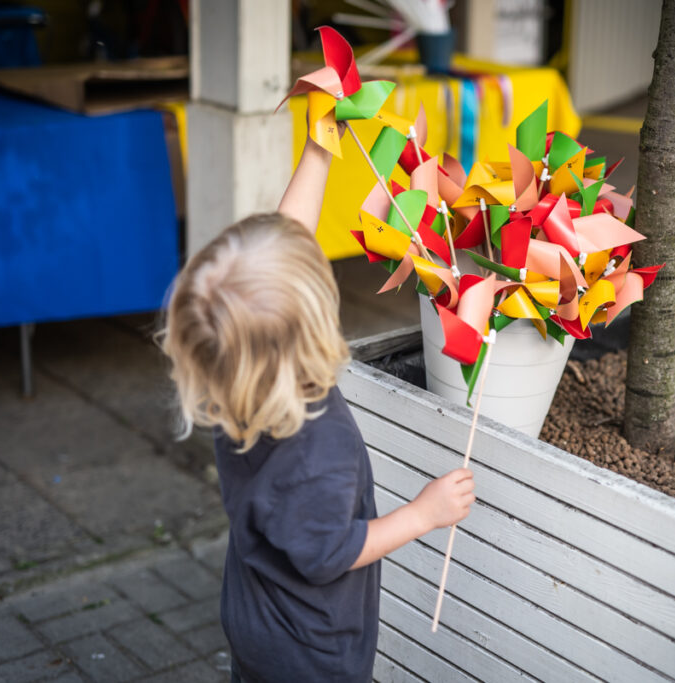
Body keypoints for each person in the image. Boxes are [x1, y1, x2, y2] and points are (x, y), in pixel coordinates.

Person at [159, 127, 475, 682]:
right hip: (310, 650)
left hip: (255, 615)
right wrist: (423, 515)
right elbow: (332, 552)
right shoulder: (315, 448)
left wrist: (318, 148)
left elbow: (289, 238)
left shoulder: (235, 382)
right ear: (309, 332)